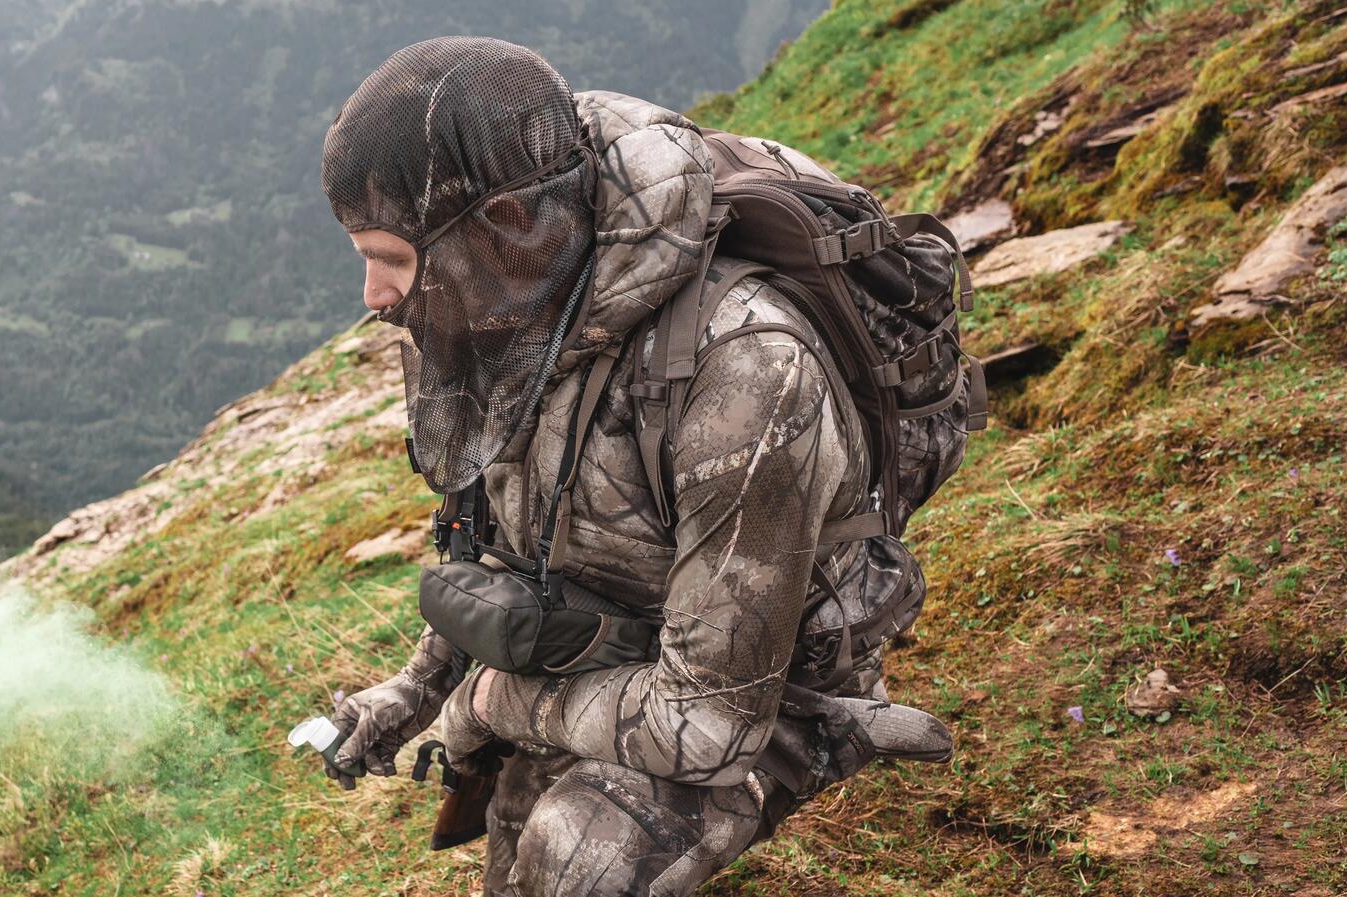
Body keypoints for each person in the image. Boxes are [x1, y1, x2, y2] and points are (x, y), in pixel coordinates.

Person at [317, 37, 948, 897]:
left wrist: (485, 704)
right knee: (510, 863)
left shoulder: (744, 367)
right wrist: (413, 690)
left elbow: (710, 724)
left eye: (391, 258)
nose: (373, 296)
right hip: (608, 642)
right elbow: (497, 540)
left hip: (753, 687)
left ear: (503, 231)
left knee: (576, 861)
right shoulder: (506, 306)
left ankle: (836, 732)